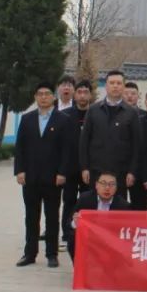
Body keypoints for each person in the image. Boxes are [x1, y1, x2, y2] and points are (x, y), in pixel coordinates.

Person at [14, 82, 72, 268]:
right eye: (40, 94)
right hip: (30, 176)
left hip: (53, 177)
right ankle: (30, 253)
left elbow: (67, 150)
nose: (44, 97)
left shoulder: (63, 119)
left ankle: (51, 254)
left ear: (53, 97)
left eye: (47, 94)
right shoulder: (27, 119)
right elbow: (20, 147)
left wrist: (62, 172)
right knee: (31, 216)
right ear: (35, 97)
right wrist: (19, 170)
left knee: (52, 216)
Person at [79, 70, 143, 204]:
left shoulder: (131, 113)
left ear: (123, 86)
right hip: (96, 171)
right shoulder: (93, 110)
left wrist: (132, 171)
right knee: (94, 206)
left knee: (118, 209)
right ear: (106, 86)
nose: (115, 86)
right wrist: (84, 167)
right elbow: (84, 141)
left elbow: (137, 145)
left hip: (121, 172)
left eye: (119, 83)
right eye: (112, 83)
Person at [66, 170, 128, 261]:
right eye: (103, 183)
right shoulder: (85, 199)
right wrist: (74, 223)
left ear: (116, 188)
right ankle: (80, 266)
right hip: (89, 239)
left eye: (112, 184)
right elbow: (69, 224)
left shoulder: (123, 206)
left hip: (110, 242)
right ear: (96, 185)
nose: (107, 188)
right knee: (73, 238)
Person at [60, 80, 93, 245]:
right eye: (79, 92)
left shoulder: (96, 114)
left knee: (87, 201)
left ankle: (86, 231)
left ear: (90, 95)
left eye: (85, 92)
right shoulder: (65, 115)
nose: (82, 95)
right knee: (69, 200)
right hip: (70, 167)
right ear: (75, 94)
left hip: (90, 167)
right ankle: (67, 233)